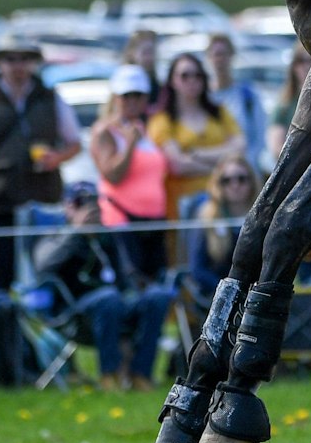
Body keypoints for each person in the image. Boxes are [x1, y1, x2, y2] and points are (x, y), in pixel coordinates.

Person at [32, 181, 175, 392]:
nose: (90, 209)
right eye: (81, 203)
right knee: (108, 298)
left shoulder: (108, 238)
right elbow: (42, 265)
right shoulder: (56, 236)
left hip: (115, 304)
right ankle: (110, 375)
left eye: (94, 203)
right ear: (67, 208)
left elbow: (127, 276)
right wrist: (76, 232)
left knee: (157, 296)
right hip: (76, 311)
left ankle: (140, 374)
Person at [91, 64, 226, 282]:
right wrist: (130, 145)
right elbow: (112, 175)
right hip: (122, 221)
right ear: (116, 97)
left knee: (158, 282)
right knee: (133, 284)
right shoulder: (105, 131)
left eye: (138, 95)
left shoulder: (145, 129)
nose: (133, 101)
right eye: (127, 96)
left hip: (154, 221)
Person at [0, 34, 80, 292]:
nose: (18, 66)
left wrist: (57, 158)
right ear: (0, 63)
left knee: (44, 272)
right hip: (2, 200)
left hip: (44, 200)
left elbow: (75, 142)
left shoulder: (50, 98)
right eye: (11, 59)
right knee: (1, 276)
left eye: (25, 59)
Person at [148, 52, 240, 253]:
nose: (192, 81)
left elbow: (239, 147)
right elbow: (178, 165)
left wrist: (196, 153)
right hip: (183, 205)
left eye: (197, 75)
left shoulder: (218, 112)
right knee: (188, 259)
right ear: (172, 81)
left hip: (225, 199)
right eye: (185, 75)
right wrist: (223, 164)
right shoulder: (162, 120)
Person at [190, 157, 260, 300]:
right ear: (218, 184)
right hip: (217, 295)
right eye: (226, 180)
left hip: (256, 295)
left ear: (252, 182)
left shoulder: (264, 217)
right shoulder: (206, 217)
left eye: (241, 179)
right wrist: (227, 292)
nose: (235, 185)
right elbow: (198, 269)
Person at [205, 33, 269, 175]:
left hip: (245, 175)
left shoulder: (248, 95)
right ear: (208, 58)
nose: (219, 60)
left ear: (232, 56)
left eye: (223, 54)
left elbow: (260, 138)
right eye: (215, 54)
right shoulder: (202, 98)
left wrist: (244, 169)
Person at [267, 45, 311, 164]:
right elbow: (276, 148)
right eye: (302, 61)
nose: (307, 66)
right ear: (294, 66)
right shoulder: (284, 105)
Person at [120, 29, 162, 105]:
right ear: (132, 53)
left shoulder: (156, 85)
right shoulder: (123, 84)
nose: (149, 57)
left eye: (151, 52)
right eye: (145, 52)